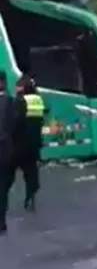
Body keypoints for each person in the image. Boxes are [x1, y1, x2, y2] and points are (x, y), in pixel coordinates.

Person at [12, 75, 44, 212]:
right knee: (31, 168)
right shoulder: (38, 99)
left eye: (18, 86)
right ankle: (32, 188)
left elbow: (16, 121)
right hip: (35, 140)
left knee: (10, 168)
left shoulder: (20, 101)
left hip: (21, 140)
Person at [0, 73, 21, 234]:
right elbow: (15, 125)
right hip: (5, 149)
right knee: (3, 187)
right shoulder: (9, 101)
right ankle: (1, 223)